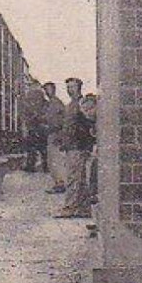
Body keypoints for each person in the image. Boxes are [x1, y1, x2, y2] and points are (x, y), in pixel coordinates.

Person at [56, 78, 94, 217]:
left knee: (73, 178)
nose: (69, 90)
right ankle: (84, 208)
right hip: (71, 145)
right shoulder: (71, 105)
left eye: (72, 87)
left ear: (79, 88)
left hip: (77, 146)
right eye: (68, 87)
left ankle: (69, 207)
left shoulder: (81, 104)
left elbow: (87, 124)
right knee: (80, 178)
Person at [41, 82, 66, 192]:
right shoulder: (50, 103)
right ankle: (58, 183)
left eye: (48, 89)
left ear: (53, 90)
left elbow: (60, 120)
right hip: (51, 134)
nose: (46, 92)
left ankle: (60, 184)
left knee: (55, 160)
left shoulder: (56, 103)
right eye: (45, 90)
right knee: (52, 160)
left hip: (55, 134)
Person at [22, 83, 52, 173]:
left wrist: (29, 120)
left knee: (32, 148)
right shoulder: (43, 100)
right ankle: (45, 166)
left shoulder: (28, 99)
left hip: (34, 127)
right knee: (43, 149)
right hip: (41, 127)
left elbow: (25, 113)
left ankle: (31, 165)